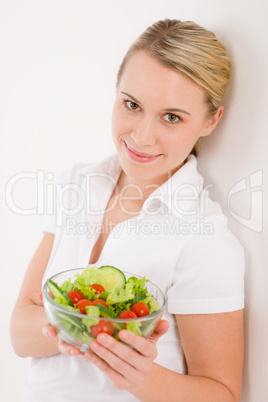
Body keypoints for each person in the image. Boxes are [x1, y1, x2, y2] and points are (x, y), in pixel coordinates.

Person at [10, 19, 245, 401]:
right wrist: (88, 327)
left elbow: (223, 393)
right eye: (131, 105)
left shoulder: (205, 239)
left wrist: (140, 376)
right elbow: (20, 331)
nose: (141, 136)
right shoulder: (77, 184)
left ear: (210, 121)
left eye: (172, 117)